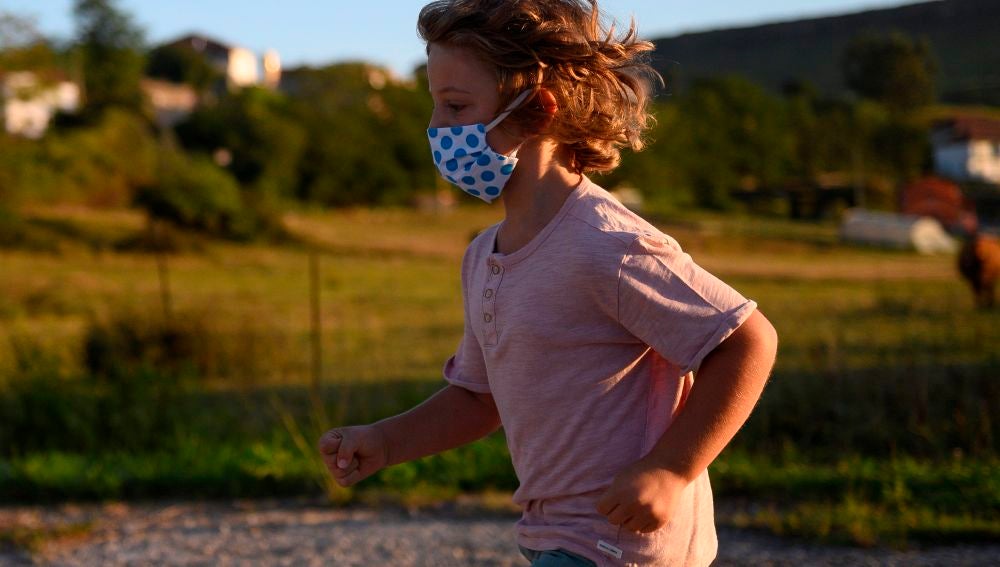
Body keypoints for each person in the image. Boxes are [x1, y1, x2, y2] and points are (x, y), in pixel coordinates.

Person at [318, 1, 779, 565]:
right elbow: (476, 397)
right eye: (435, 106)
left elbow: (746, 340)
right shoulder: (483, 255)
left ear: (535, 111)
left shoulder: (607, 245)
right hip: (552, 537)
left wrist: (670, 470)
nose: (436, 128)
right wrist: (387, 441)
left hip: (624, 546)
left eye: (456, 106)